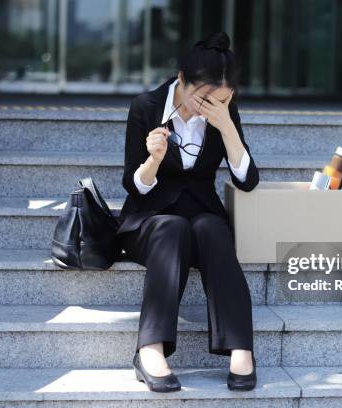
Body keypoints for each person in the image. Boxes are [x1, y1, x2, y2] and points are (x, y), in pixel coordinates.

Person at [116, 32, 259, 393]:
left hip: (200, 216)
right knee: (172, 228)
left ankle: (241, 347)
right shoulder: (146, 107)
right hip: (150, 221)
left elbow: (247, 181)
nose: (208, 106)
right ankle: (150, 350)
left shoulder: (223, 112)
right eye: (203, 98)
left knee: (213, 229)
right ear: (181, 79)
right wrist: (154, 159)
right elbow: (134, 186)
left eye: (222, 100)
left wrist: (226, 125)